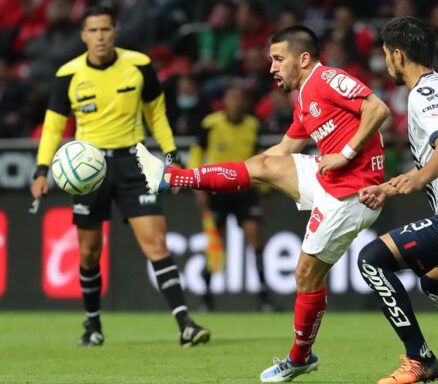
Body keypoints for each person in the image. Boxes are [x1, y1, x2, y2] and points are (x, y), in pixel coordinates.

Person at [136, 25, 390, 382]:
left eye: (278, 58)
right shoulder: (303, 97)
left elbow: (377, 108)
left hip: (354, 192)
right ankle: (173, 177)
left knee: (305, 274)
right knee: (263, 164)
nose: (271, 67)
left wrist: (345, 154)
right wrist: (247, 171)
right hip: (330, 179)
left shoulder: (328, 78)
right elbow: (282, 151)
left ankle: (300, 357)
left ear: (303, 59)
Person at [30, 5, 210, 348]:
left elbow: (157, 115)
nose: (99, 37)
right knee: (88, 253)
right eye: (93, 31)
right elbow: (53, 127)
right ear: (83, 35)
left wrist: (171, 157)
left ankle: (185, 323)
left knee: (157, 243)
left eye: (105, 30)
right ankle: (93, 325)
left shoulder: (139, 66)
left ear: (115, 32)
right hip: (88, 170)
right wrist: (42, 171)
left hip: (133, 161)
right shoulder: (68, 74)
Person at [357, 16, 438, 384]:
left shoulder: (423, 94)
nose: (384, 63)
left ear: (397, 54)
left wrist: (415, 178)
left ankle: (419, 359)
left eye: (385, 55)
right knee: (435, 283)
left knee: (372, 259)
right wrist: (390, 187)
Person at [188, 85, 275, 311]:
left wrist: (265, 191)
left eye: (240, 97)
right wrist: (197, 185)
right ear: (224, 101)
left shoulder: (253, 125)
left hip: (245, 188)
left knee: (255, 237)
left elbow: (261, 159)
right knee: (215, 243)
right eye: (232, 97)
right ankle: (206, 299)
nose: (236, 102)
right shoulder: (211, 124)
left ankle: (263, 298)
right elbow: (197, 153)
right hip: (217, 188)